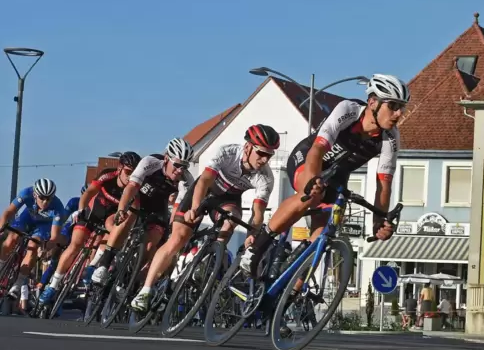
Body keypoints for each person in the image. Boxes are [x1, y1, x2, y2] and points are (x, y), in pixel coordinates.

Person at [239, 73, 409, 276]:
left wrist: (378, 222)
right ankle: (256, 247)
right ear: (372, 102)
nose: (399, 113)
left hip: (337, 176)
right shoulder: (349, 111)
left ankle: (291, 291)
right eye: (393, 106)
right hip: (308, 158)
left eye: (401, 108)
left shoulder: (390, 138)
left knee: (324, 232)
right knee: (310, 195)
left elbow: (383, 185)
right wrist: (312, 180)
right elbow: (317, 150)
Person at [129, 125, 279, 312]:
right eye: (261, 153)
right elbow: (204, 181)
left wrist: (251, 234)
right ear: (248, 147)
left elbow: (258, 213)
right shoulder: (228, 153)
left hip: (228, 199)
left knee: (232, 219)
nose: (265, 159)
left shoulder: (266, 177)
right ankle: (145, 290)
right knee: (177, 239)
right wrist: (194, 208)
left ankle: (211, 258)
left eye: (269, 155)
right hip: (204, 190)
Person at [38, 153, 142, 305]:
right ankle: (53, 286)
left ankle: (92, 266)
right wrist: (81, 210)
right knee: (76, 244)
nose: (130, 176)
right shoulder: (107, 175)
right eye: (128, 172)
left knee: (113, 229)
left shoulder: (134, 188)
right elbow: (88, 193)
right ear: (119, 168)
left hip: (111, 216)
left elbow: (133, 213)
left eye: (134, 173)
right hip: (94, 212)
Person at [91, 138, 195, 287]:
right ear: (166, 159)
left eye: (185, 166)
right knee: (128, 215)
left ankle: (129, 281)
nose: (180, 170)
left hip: (159, 207)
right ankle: (104, 264)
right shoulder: (150, 162)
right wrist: (121, 209)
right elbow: (131, 187)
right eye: (177, 165)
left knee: (151, 244)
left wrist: (172, 230)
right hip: (139, 198)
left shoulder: (186, 181)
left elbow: (177, 210)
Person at [0, 179, 64, 303]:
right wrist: (2, 226)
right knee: (11, 239)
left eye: (49, 198)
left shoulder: (58, 207)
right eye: (42, 197)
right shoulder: (26, 193)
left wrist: (45, 248)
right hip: (27, 218)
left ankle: (17, 285)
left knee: (33, 245)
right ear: (35, 194)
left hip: (43, 226)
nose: (45, 201)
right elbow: (9, 211)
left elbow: (54, 237)